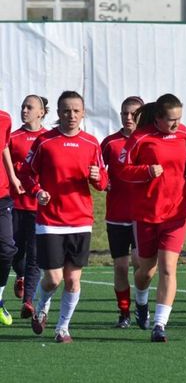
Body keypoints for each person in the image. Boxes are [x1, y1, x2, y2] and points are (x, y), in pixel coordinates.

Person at [20, 90, 108, 343]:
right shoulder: (45, 142)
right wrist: (38, 192)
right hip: (50, 222)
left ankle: (62, 328)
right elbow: (26, 173)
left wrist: (97, 177)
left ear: (83, 113)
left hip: (81, 221)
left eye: (76, 111)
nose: (71, 115)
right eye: (66, 111)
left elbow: (103, 182)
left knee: (72, 279)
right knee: (53, 278)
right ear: (58, 113)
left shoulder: (91, 143)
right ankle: (41, 306)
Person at [118, 95, 186, 343]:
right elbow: (122, 170)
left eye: (179, 118)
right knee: (146, 270)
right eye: (171, 120)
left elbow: (184, 160)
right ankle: (141, 301)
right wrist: (146, 171)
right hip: (147, 213)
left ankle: (159, 324)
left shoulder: (183, 134)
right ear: (158, 118)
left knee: (168, 268)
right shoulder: (140, 138)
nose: (176, 124)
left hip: (176, 212)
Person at [101, 96, 144, 328]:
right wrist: (103, 181)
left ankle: (142, 305)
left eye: (133, 114)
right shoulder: (110, 143)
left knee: (140, 263)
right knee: (120, 266)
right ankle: (124, 313)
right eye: (124, 113)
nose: (128, 117)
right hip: (117, 214)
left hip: (142, 215)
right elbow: (98, 168)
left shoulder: (148, 140)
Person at [9, 95, 48, 318]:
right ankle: (20, 275)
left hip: (38, 207)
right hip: (14, 204)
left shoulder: (47, 139)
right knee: (12, 251)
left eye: (29, 107)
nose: (24, 110)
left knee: (34, 256)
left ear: (41, 112)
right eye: (23, 106)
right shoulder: (13, 138)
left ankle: (29, 302)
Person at [0, 103, 24, 326]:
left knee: (7, 249)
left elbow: (4, 146)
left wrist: (13, 176)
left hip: (2, 196)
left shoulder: (4, 118)